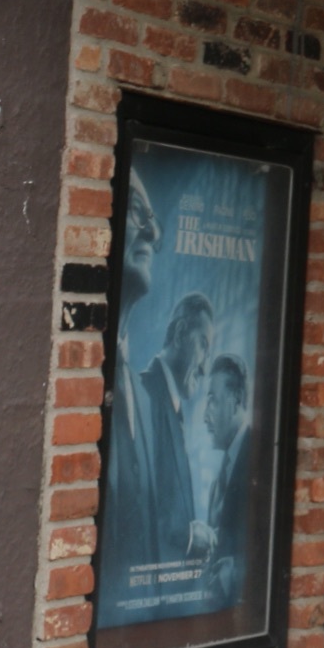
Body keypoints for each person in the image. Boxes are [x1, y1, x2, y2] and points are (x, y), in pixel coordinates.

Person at [97, 170, 166, 618]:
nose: (152, 233)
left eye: (153, 219)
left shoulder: (142, 395)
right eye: (138, 212)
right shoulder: (79, 375)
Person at [137, 292, 216, 572]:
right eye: (203, 345)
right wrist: (190, 536)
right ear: (181, 333)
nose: (206, 367)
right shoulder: (144, 393)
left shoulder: (167, 403)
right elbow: (138, 504)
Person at [190, 354, 255, 613]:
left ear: (237, 399)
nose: (205, 416)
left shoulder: (261, 457)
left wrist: (236, 573)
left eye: (213, 402)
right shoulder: (220, 479)